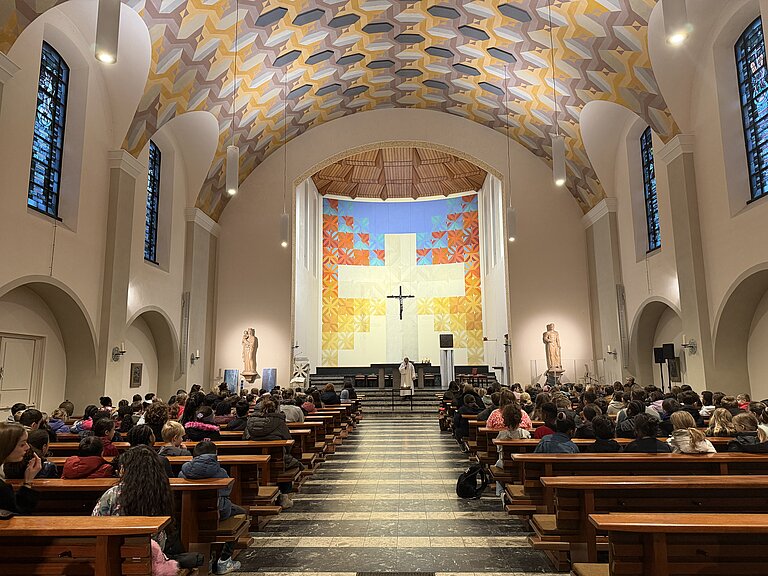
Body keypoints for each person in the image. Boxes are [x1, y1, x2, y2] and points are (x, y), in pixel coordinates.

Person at [92, 446, 178, 573]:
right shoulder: (161, 492)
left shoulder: (114, 493)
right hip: (152, 552)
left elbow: (95, 521)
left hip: (115, 551)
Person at [178, 441, 244, 574]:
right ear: (215, 455)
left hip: (188, 516)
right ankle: (224, 560)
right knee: (241, 514)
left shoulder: (183, 472)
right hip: (217, 513)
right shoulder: (220, 472)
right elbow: (227, 491)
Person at [244, 398, 303, 508]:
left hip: (254, 460)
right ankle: (284, 495)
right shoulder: (279, 421)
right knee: (287, 463)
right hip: (276, 461)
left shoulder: (250, 421)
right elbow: (288, 440)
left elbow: (245, 438)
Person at [0, 422, 41, 513]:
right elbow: (19, 515)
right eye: (22, 444)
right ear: (6, 447)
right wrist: (28, 482)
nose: (27, 447)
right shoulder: (2, 489)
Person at [494, 404, 531, 495]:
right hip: (522, 464)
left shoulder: (501, 435)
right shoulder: (526, 434)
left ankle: (500, 491)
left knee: (497, 465)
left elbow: (498, 450)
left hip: (506, 464)